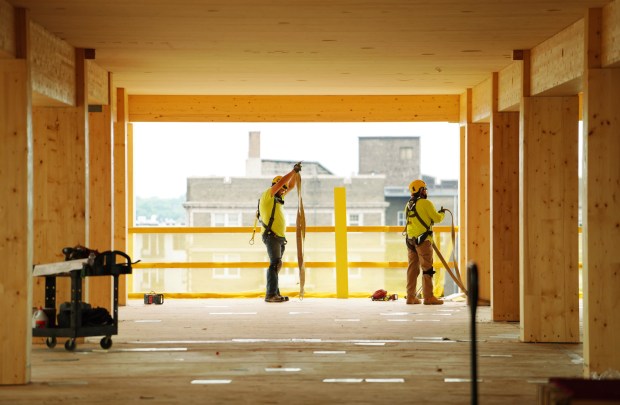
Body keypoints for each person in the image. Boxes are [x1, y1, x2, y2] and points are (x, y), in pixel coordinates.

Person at [259, 162, 302, 302]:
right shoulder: (268, 195)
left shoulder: (278, 197)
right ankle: (270, 295)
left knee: (277, 265)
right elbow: (284, 182)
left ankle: (274, 293)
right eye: (281, 188)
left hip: (278, 237)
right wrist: (292, 171)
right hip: (271, 236)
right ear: (275, 186)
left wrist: (295, 175)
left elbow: (290, 185)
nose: (284, 191)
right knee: (274, 264)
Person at [404, 179, 445, 305]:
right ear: (421, 190)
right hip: (423, 241)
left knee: (412, 269)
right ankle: (428, 297)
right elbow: (437, 219)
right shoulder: (425, 203)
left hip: (410, 241)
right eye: (424, 189)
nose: (426, 191)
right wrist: (442, 213)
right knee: (427, 269)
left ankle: (410, 297)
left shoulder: (408, 204)